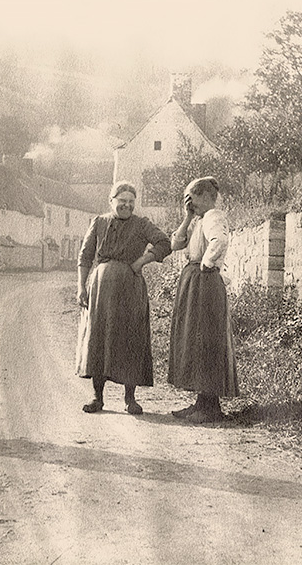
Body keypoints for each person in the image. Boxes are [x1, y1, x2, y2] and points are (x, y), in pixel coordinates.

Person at [76, 181, 171, 415]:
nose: (126, 205)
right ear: (111, 201)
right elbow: (85, 257)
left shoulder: (141, 224)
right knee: (99, 338)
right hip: (100, 289)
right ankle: (97, 397)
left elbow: (164, 243)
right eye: (122, 201)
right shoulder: (99, 222)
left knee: (130, 338)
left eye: (131, 202)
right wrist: (81, 287)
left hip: (130, 290)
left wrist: (141, 261)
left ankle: (130, 399)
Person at [168, 176, 238, 423]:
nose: (189, 203)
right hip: (196, 281)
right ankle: (201, 402)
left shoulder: (214, 217)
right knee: (195, 339)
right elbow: (176, 243)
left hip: (204, 281)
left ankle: (210, 408)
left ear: (206, 196)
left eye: (192, 198)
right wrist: (187, 216)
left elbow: (220, 240)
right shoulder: (198, 220)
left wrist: (207, 264)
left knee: (205, 340)